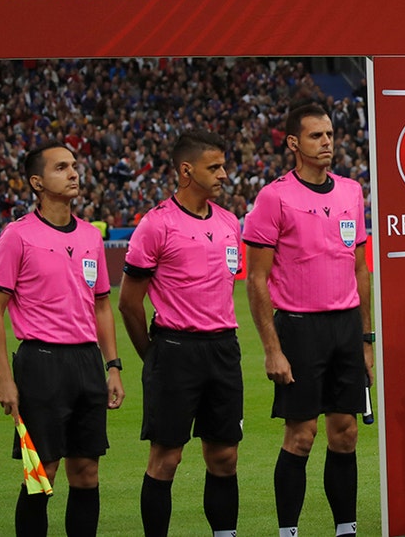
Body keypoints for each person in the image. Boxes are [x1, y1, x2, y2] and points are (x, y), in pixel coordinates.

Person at [0, 141, 125, 536]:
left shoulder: (90, 237)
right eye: (61, 167)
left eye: (74, 165)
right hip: (40, 363)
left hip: (86, 364)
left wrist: (112, 366)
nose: (74, 172)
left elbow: (101, 307)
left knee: (87, 472)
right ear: (36, 182)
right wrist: (5, 378)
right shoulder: (17, 236)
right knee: (41, 474)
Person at [243, 102, 372, 537]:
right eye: (317, 136)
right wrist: (272, 349)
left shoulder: (352, 191)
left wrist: (366, 337)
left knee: (346, 433)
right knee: (301, 436)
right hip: (299, 328)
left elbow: (360, 268)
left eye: (330, 135)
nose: (327, 143)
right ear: (294, 143)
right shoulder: (274, 196)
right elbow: (256, 279)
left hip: (345, 326)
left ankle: (345, 529)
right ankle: (288, 531)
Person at [118, 131, 243, 537]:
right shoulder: (157, 224)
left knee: (224, 457)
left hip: (224, 349)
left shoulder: (228, 222)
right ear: (186, 171)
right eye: (215, 167)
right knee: (166, 458)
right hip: (174, 351)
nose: (225, 174)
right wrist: (153, 356)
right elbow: (128, 302)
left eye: (224, 165)